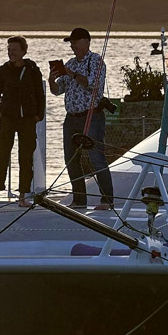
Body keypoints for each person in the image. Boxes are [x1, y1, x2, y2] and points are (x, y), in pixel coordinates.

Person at [50, 26, 113, 210]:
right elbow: (58, 90)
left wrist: (72, 74)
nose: (72, 46)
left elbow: (92, 85)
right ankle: (79, 200)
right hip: (71, 118)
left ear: (86, 42)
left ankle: (107, 200)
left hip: (91, 116)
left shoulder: (95, 61)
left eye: (75, 42)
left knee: (96, 158)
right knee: (71, 159)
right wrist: (52, 80)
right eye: (71, 43)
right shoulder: (70, 63)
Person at [0, 35, 46, 206]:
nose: (11, 53)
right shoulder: (3, 70)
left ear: (24, 51)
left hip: (28, 120)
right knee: (2, 156)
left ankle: (23, 197)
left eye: (15, 50)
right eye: (9, 50)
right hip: (8, 119)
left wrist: (38, 115)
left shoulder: (33, 70)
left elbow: (40, 95)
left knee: (25, 159)